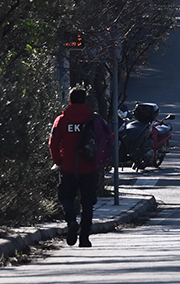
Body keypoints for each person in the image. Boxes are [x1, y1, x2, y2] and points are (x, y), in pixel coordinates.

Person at [49, 86, 114, 247]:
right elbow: (107, 138)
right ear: (86, 101)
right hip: (90, 167)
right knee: (87, 203)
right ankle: (84, 238)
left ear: (70, 101)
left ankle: (71, 221)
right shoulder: (94, 119)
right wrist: (101, 161)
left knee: (66, 197)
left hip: (69, 166)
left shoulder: (62, 119)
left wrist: (58, 161)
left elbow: (54, 142)